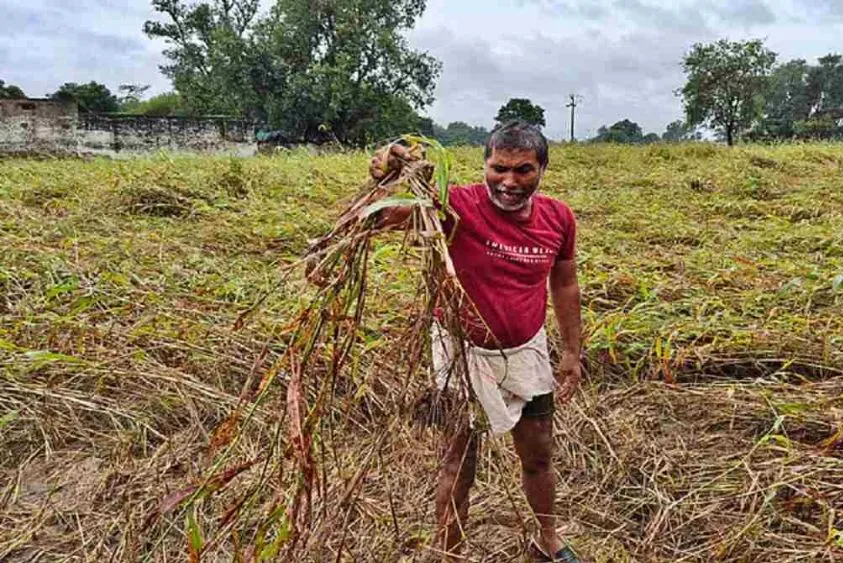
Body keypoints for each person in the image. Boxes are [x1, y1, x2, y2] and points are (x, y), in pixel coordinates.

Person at [369, 120, 583, 562]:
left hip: (525, 351)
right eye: (498, 168)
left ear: (542, 169)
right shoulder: (454, 205)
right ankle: (451, 553)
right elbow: (380, 219)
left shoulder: (559, 218)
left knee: (538, 454)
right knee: (458, 461)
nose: (509, 181)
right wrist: (388, 174)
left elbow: (564, 284)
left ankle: (547, 539)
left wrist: (571, 352)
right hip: (461, 354)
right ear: (484, 165)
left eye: (523, 170)